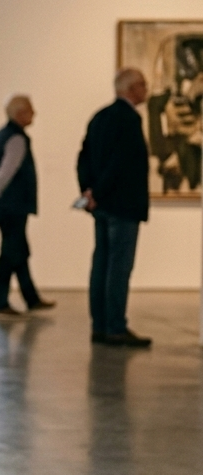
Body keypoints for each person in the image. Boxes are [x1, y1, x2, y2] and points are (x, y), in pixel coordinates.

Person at [77, 68, 151, 347]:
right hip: (122, 205)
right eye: (142, 85)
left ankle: (100, 325)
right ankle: (116, 327)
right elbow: (122, 164)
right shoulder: (129, 119)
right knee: (118, 267)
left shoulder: (100, 117)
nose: (147, 89)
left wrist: (87, 191)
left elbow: (83, 157)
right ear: (131, 89)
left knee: (101, 264)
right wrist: (98, 191)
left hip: (102, 205)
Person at [0, 95, 55, 318]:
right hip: (12, 204)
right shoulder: (17, 139)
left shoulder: (0, 135)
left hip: (4, 204)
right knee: (11, 251)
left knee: (19, 249)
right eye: (30, 110)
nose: (34, 114)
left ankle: (31, 298)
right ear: (20, 114)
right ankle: (0, 301)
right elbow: (6, 170)